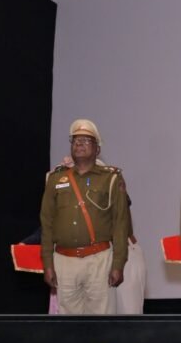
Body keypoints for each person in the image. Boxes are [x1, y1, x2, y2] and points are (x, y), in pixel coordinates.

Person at [40, 119, 130, 315]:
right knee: (68, 327)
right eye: (75, 140)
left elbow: (120, 224)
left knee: (101, 323)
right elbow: (46, 223)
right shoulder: (55, 179)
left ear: (97, 149)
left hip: (98, 259)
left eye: (86, 140)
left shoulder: (111, 178)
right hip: (64, 260)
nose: (79, 144)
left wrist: (118, 263)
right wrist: (47, 264)